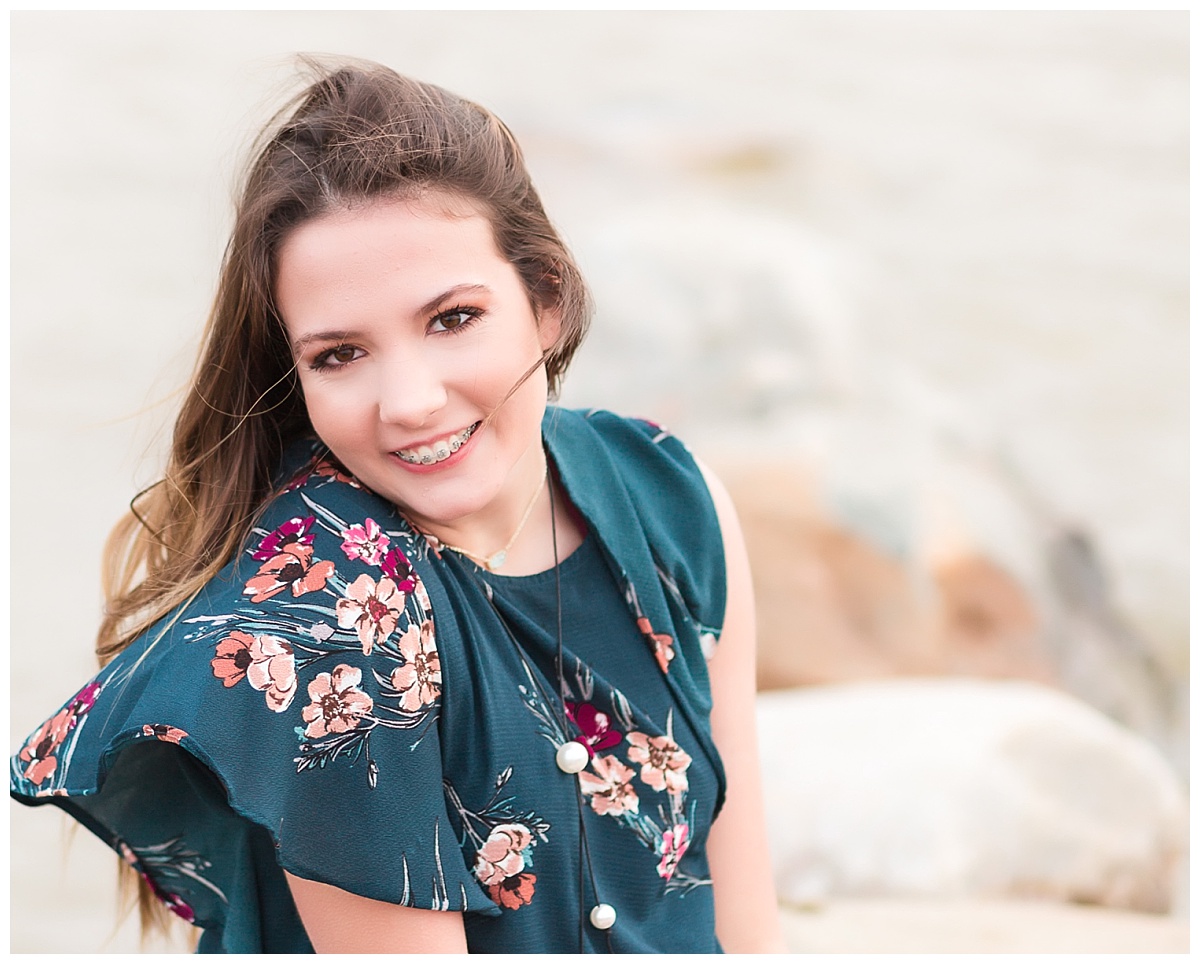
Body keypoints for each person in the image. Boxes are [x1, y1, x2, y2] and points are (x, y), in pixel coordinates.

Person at [10, 58, 785, 954]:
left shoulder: (669, 497)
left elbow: (746, 923)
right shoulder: (330, 612)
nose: (409, 401)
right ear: (294, 378)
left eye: (452, 318)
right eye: (340, 355)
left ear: (548, 305)